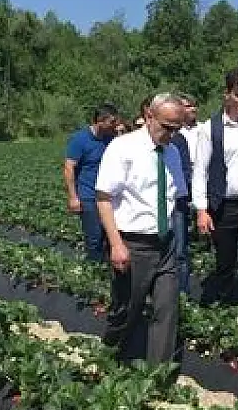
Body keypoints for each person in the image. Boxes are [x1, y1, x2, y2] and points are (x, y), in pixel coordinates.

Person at [95, 93, 188, 364]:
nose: (171, 134)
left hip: (165, 243)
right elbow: (104, 198)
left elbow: (176, 197)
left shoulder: (172, 152)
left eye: (177, 129)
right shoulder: (122, 148)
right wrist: (116, 244)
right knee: (127, 310)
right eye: (167, 127)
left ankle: (158, 376)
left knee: (167, 309)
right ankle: (111, 357)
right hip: (133, 243)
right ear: (149, 116)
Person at [193, 67, 238, 305]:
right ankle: (222, 305)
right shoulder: (210, 129)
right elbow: (200, 170)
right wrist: (201, 209)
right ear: (226, 94)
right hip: (224, 205)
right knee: (225, 259)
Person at [63, 104, 120, 262]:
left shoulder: (111, 138)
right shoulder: (80, 139)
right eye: (112, 121)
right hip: (88, 196)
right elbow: (69, 168)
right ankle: (95, 271)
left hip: (108, 195)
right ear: (100, 121)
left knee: (110, 235)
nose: (115, 125)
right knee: (94, 237)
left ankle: (110, 270)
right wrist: (73, 197)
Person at [169, 94, 197, 294]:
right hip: (152, 205)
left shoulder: (179, 141)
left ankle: (182, 294)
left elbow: (185, 170)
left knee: (180, 250)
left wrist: (187, 196)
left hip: (177, 203)